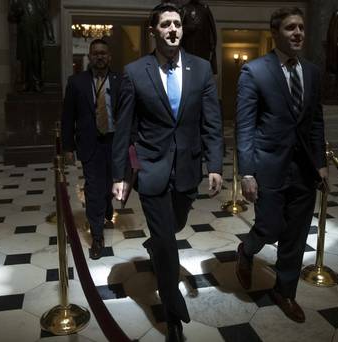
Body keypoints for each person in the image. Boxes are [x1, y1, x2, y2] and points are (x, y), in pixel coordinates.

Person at [112, 3, 223, 341]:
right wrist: (120, 176)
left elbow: (212, 122)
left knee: (175, 225)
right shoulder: (134, 72)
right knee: (165, 243)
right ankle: (173, 313)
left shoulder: (201, 69)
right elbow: (124, 129)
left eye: (177, 24)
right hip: (152, 169)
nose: (174, 29)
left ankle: (158, 244)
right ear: (154, 31)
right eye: (166, 25)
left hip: (188, 169)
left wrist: (215, 165)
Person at [234, 7, 327, 324]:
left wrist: (321, 164)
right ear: (275, 33)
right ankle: (247, 250)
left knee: (297, 235)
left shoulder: (312, 72)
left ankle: (284, 291)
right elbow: (244, 126)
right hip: (268, 166)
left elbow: (315, 122)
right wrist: (246, 172)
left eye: (301, 27)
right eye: (291, 28)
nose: (298, 33)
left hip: (304, 169)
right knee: (271, 226)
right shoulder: (255, 71)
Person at [61, 39, 121, 260]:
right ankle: (97, 236)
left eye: (103, 53)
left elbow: (129, 112)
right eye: (95, 53)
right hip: (90, 144)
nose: (99, 56)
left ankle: (106, 204)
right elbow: (68, 117)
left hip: (115, 143)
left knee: (110, 184)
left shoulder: (120, 80)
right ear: (89, 56)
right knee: (94, 189)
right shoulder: (76, 82)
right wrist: (67, 147)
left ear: (109, 56)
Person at [8, 0, 55, 92]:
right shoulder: (18, 2)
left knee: (37, 59)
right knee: (25, 59)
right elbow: (10, 18)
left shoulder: (41, 3)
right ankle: (25, 83)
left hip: (37, 36)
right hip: (24, 37)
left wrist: (50, 36)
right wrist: (16, 12)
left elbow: (47, 19)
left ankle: (37, 82)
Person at [180, 0, 218, 74]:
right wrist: (188, 28)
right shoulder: (184, 9)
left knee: (203, 72)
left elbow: (212, 30)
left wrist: (212, 49)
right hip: (188, 48)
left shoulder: (205, 8)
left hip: (203, 49)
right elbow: (178, 29)